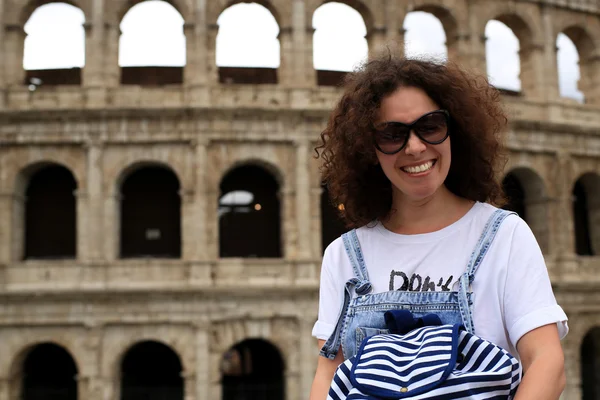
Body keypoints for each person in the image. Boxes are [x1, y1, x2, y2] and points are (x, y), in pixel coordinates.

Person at [309, 54, 568, 400]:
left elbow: (546, 361)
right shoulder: (343, 255)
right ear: (368, 149)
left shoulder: (503, 235)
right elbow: (329, 371)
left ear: (453, 131)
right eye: (392, 134)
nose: (415, 147)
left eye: (430, 126)